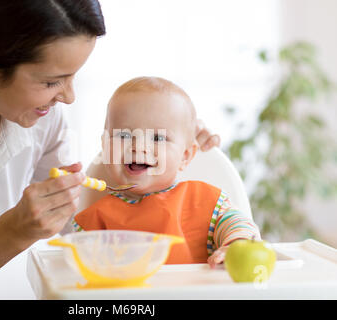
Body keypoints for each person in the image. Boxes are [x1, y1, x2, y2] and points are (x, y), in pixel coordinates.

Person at [0, 1, 219, 300]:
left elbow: (76, 220)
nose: (68, 97)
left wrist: (166, 134)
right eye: (52, 82)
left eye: (73, 76)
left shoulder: (42, 114)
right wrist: (11, 234)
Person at [72, 76, 261, 267]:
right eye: (124, 135)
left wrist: (236, 244)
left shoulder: (203, 201)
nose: (139, 146)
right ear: (105, 147)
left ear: (185, 156)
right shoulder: (95, 220)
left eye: (157, 138)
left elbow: (240, 225)